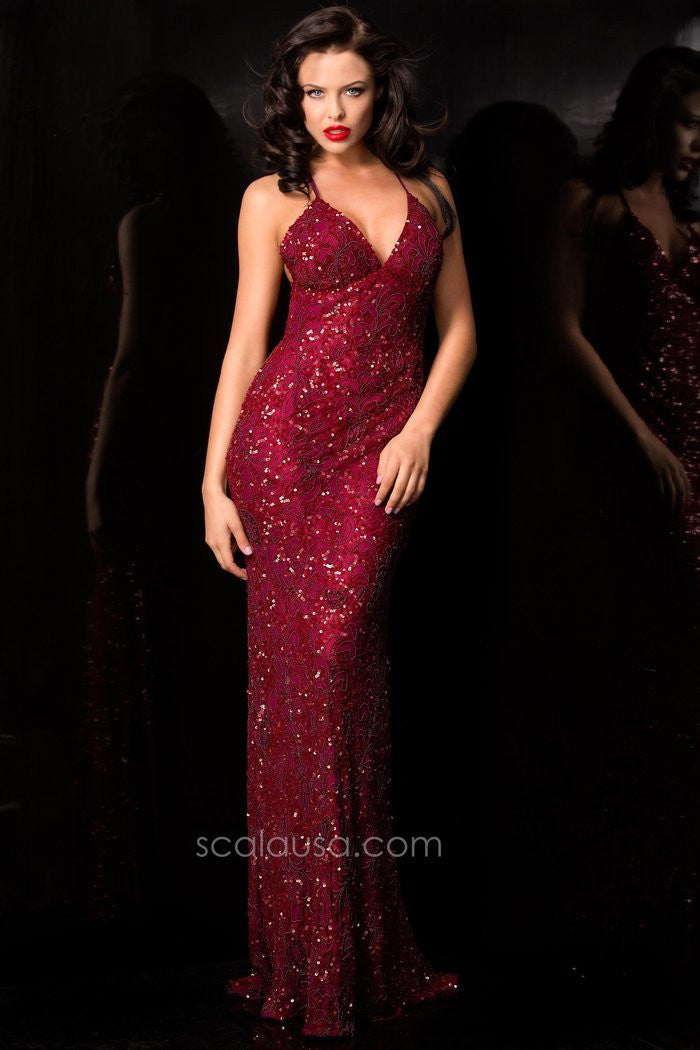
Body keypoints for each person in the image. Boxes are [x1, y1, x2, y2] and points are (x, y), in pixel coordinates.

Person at [201, 5, 476, 1038]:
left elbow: (461, 328)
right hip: (283, 455)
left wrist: (420, 431)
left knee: (339, 671)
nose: (332, 109)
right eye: (314, 91)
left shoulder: (430, 192)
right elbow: (244, 346)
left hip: (378, 458)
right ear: (294, 97)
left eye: (350, 89)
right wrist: (212, 483)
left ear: (379, 92)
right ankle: (310, 961)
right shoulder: (270, 197)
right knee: (306, 690)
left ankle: (356, 953)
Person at [543, 46, 700, 979]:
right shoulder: (589, 204)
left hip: (696, 448)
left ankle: (681, 898)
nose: (699, 145)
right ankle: (629, 906)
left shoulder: (692, 217)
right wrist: (641, 439)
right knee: (643, 672)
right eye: (689, 123)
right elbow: (560, 331)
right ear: (652, 115)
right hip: (635, 459)